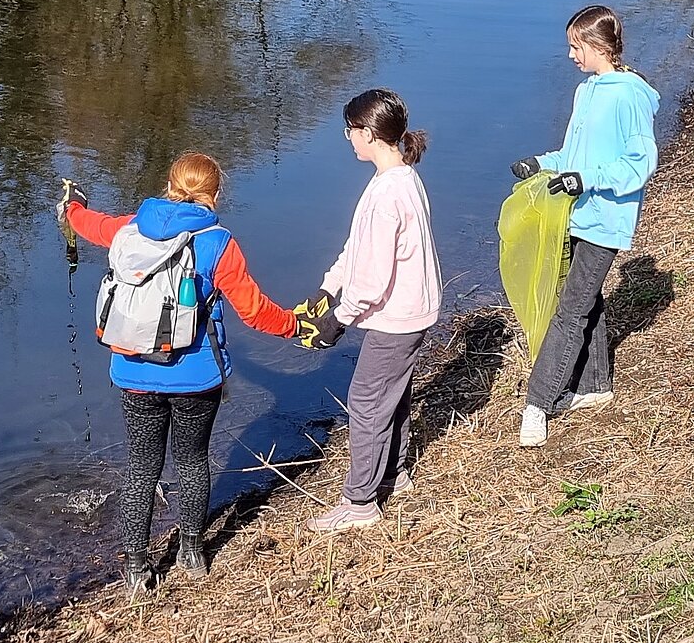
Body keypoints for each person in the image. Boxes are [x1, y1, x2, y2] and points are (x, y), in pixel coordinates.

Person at [60, 152, 302, 590]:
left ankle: (136, 570)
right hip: (197, 377)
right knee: (191, 462)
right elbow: (254, 312)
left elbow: (91, 225)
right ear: (215, 193)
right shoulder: (217, 242)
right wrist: (295, 326)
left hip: (134, 373)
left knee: (141, 469)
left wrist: (72, 207)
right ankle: (192, 552)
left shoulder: (131, 228)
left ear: (169, 185)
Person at [509, 5, 659, 448]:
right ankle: (594, 386)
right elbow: (574, 157)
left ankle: (538, 403)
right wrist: (541, 163)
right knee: (585, 299)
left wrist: (588, 179)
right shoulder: (587, 90)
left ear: (599, 46)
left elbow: (640, 163)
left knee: (569, 309)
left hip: (605, 220)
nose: (571, 55)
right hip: (576, 213)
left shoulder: (629, 95)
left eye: (576, 46)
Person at [301, 88, 442, 533]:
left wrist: (338, 320)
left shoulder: (387, 195)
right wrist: (329, 287)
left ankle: (360, 502)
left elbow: (374, 278)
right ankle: (394, 475)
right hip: (412, 310)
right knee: (392, 395)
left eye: (350, 130)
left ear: (368, 134)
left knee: (366, 402)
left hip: (397, 318)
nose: (347, 138)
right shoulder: (399, 177)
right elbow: (358, 246)